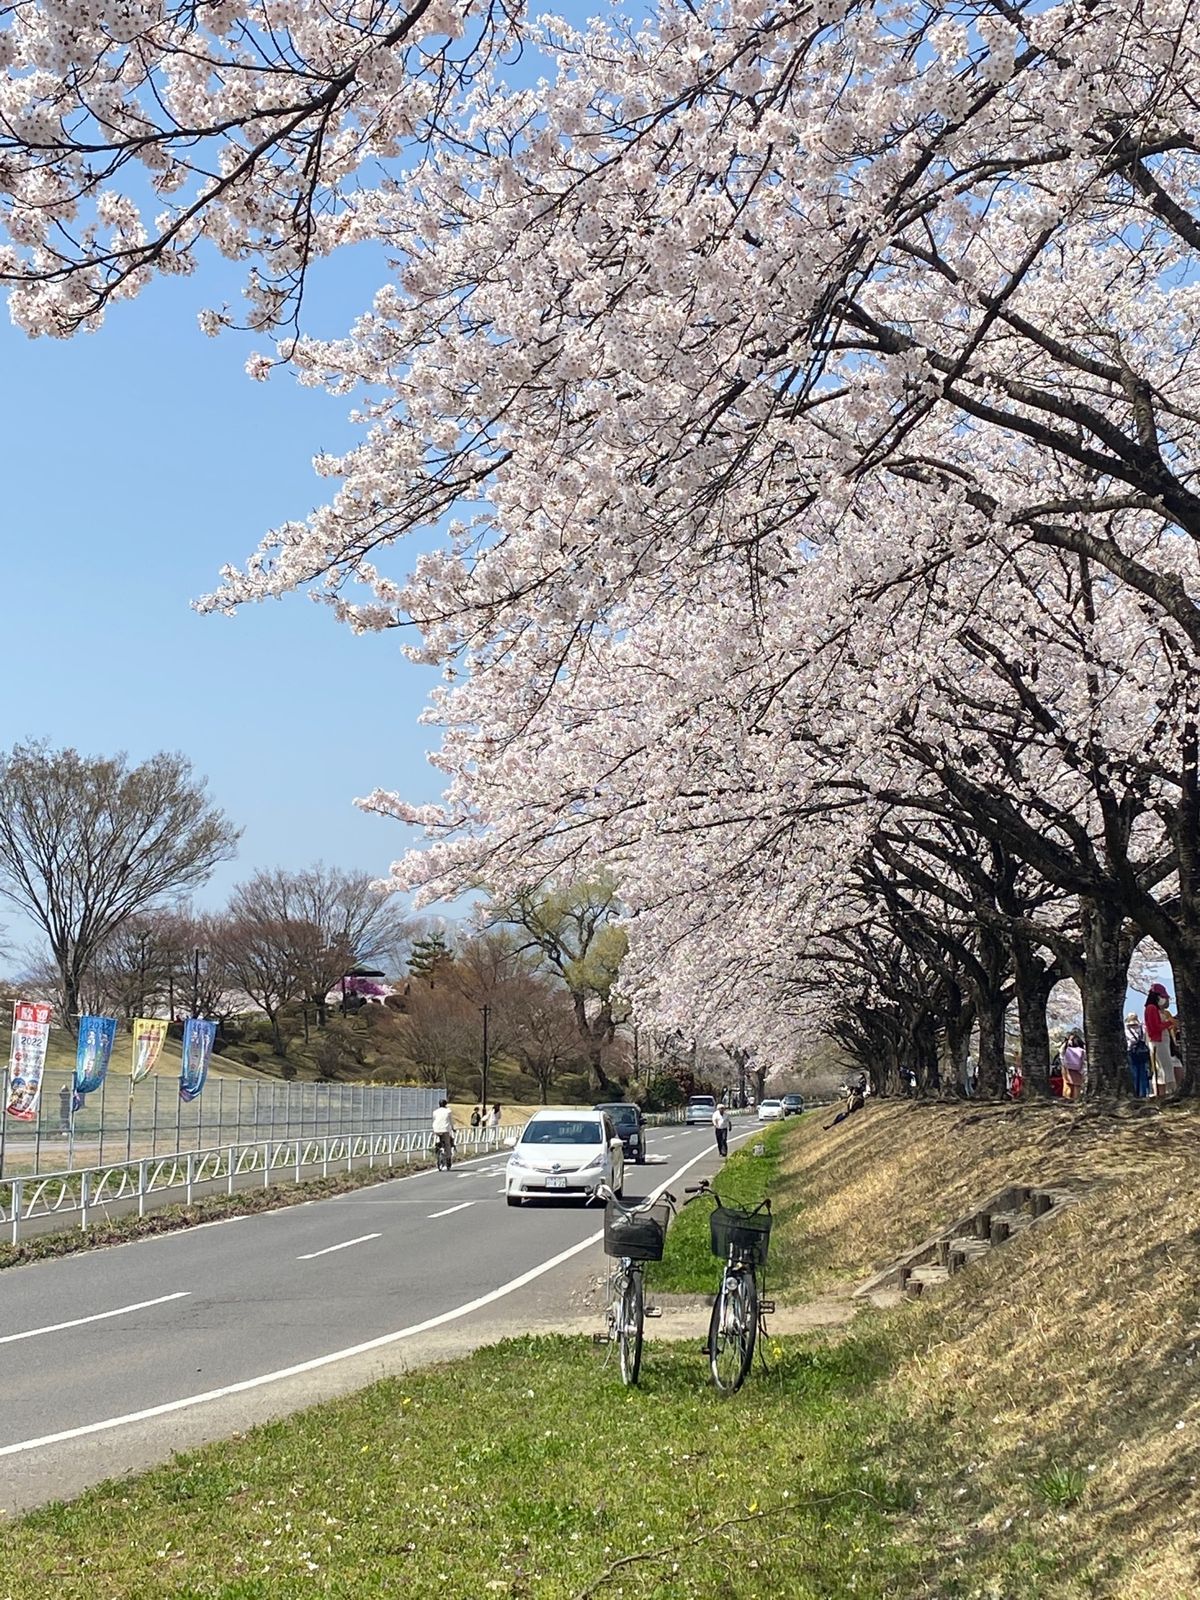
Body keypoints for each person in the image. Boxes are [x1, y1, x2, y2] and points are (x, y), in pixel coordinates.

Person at [1145, 984, 1176, 1099]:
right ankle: (1168, 1092)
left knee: (1164, 1067)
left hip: (1162, 1040)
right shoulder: (1151, 1008)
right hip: (1158, 1041)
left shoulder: (1156, 1009)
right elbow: (1155, 1027)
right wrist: (1169, 1023)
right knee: (1166, 1066)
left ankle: (1164, 1092)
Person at [1125, 1012, 1151, 1099]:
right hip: (1142, 1052)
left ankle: (1136, 1092)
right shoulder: (1141, 1029)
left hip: (1132, 1052)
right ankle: (1143, 1092)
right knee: (1143, 1072)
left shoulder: (1127, 1030)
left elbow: (1130, 1041)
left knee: (1134, 1073)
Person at [1061, 1032, 1086, 1101]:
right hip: (1078, 1070)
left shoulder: (1067, 1049)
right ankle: (1076, 1100)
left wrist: (1066, 1043)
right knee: (1077, 1086)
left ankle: (1067, 1099)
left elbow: (1061, 1053)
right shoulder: (1082, 1050)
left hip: (1067, 1068)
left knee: (1068, 1085)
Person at [431, 1098, 455, 1163]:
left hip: (436, 1129)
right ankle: (448, 1158)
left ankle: (437, 1150)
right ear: (445, 1104)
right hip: (445, 1129)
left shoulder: (435, 1112)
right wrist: (453, 1128)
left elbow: (434, 1120)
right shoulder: (448, 1111)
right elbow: (450, 1121)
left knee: (437, 1141)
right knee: (447, 1144)